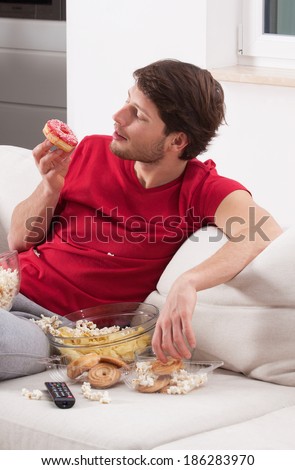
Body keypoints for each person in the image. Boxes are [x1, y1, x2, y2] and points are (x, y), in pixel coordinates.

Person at [1, 59, 282, 379]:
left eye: (139, 114)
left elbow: (263, 231)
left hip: (54, 328)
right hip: (8, 284)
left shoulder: (201, 190)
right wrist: (51, 187)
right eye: (127, 102)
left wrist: (189, 281)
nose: (118, 117)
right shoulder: (91, 150)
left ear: (177, 141)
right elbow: (17, 240)